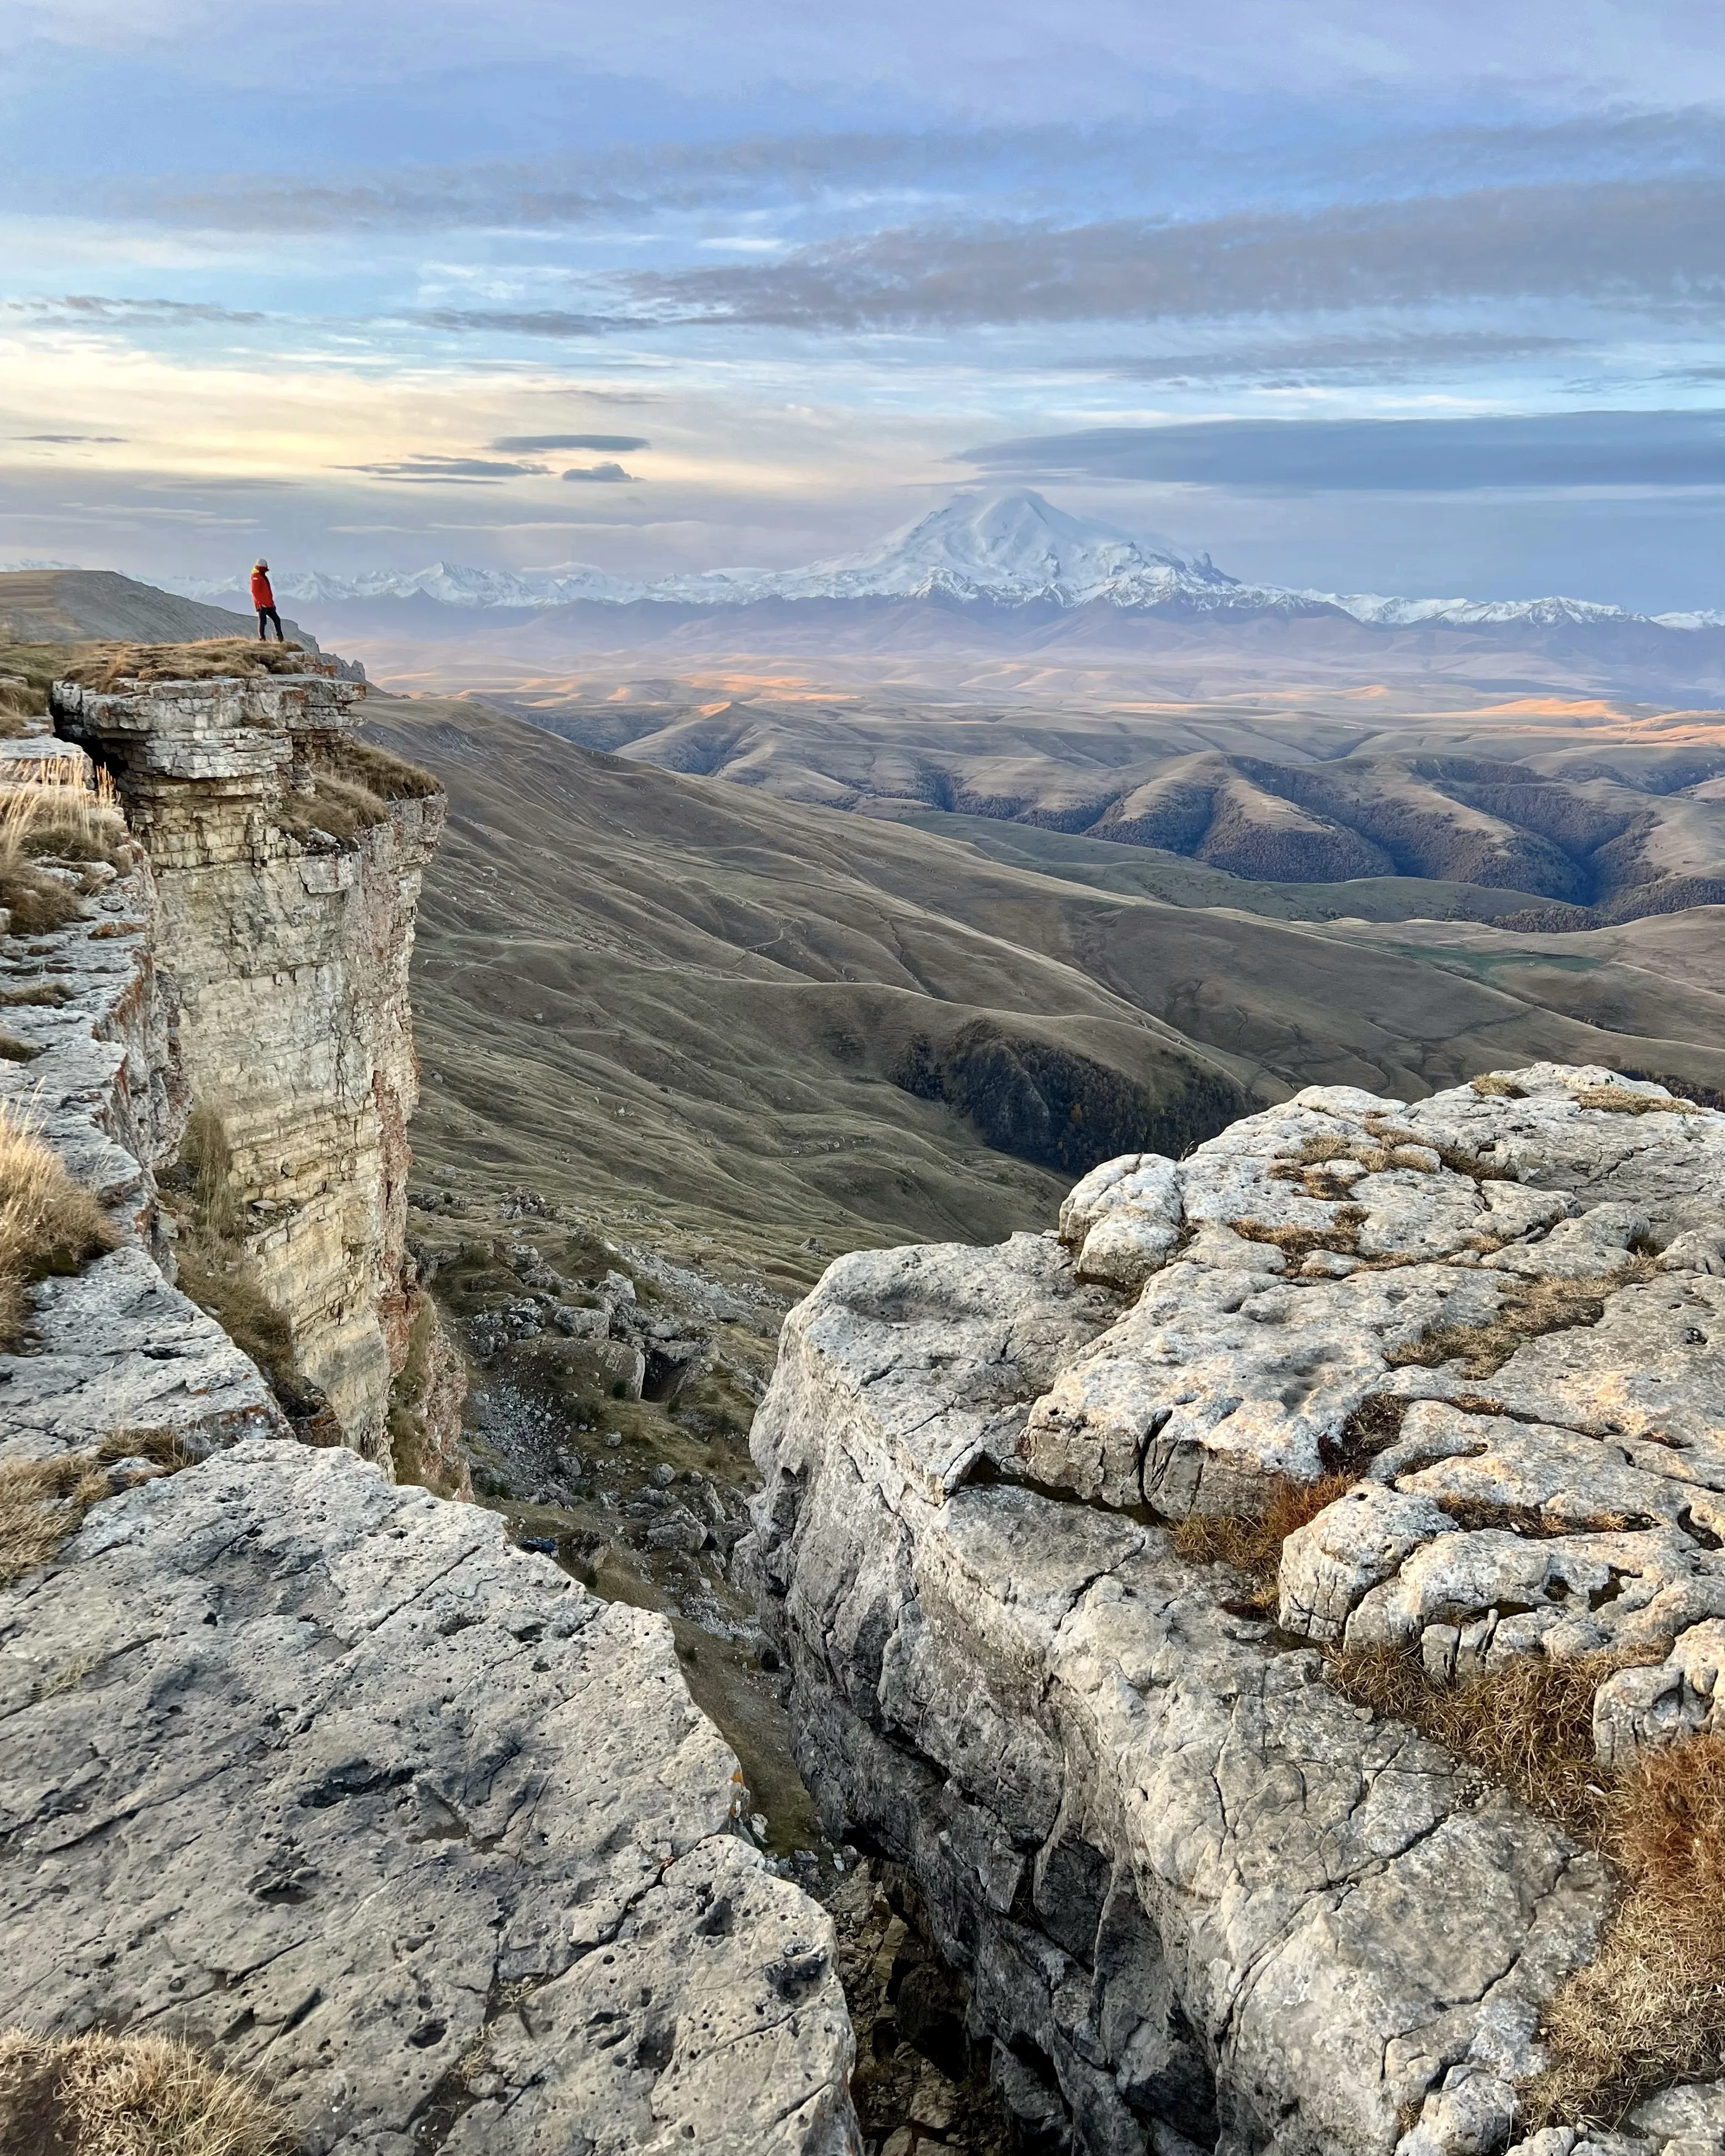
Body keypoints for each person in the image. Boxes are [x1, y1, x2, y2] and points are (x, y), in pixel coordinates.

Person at [251, 559, 285, 641]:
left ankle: (280, 638)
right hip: (262, 604)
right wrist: (260, 603)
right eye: (266, 566)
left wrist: (271, 603)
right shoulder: (256, 577)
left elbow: (267, 592)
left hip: (268, 604)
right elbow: (255, 591)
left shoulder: (262, 576)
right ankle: (262, 638)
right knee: (263, 621)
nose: (267, 568)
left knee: (276, 619)